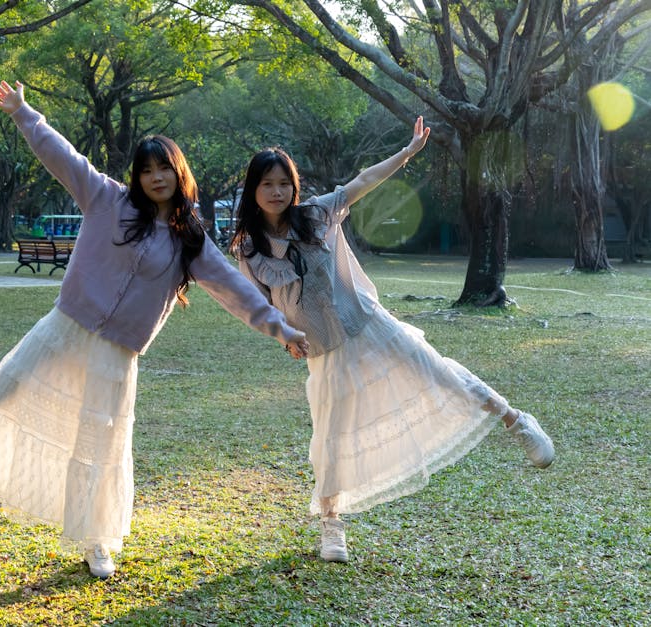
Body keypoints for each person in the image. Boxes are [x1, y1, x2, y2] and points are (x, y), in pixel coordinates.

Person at [0, 80, 309, 579]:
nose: (156, 177)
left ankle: (98, 542)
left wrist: (282, 329)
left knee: (100, 446)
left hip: (118, 354)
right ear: (137, 176)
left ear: (179, 174)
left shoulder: (190, 239)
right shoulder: (107, 199)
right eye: (147, 169)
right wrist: (24, 112)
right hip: (66, 327)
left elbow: (234, 291)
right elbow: (61, 155)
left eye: (164, 169)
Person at [230, 117, 554, 564]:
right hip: (323, 351)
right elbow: (259, 303)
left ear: (294, 187)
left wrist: (406, 153)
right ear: (254, 190)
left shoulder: (316, 215)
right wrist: (283, 335)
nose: (278, 191)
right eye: (268, 184)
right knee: (331, 438)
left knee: (437, 372)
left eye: (285, 182)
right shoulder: (248, 248)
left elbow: (362, 181)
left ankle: (516, 421)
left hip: (369, 325)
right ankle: (331, 525)